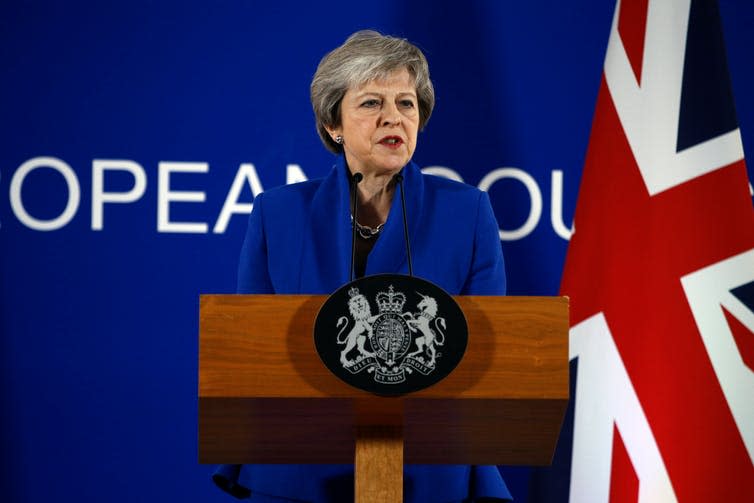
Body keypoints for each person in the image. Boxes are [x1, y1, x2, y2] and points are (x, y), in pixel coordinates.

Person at [213, 30, 511, 503]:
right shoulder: (278, 214)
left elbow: (489, 351)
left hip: (429, 474)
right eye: (372, 102)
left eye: (407, 103)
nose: (394, 116)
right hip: (298, 472)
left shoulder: (468, 213)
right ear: (334, 124)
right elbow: (256, 355)